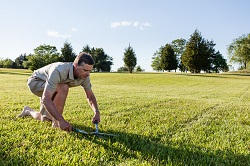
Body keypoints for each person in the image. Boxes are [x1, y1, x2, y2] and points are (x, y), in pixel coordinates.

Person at [17, 52, 100, 132]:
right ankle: (56, 123)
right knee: (63, 87)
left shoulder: (84, 76)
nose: (88, 74)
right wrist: (60, 120)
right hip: (36, 82)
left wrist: (96, 112)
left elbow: (90, 96)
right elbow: (46, 99)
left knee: (45, 119)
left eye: (90, 71)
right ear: (75, 65)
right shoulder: (58, 70)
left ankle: (27, 111)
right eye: (85, 70)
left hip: (51, 88)